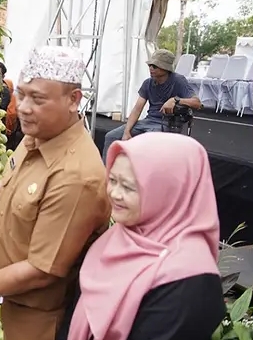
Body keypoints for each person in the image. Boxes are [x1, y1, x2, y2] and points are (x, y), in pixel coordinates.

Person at [0, 46, 111, 340]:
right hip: (16, 301)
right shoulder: (36, 137)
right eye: (22, 93)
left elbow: (42, 271)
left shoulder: (76, 176)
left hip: (44, 317)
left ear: (73, 100)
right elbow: (20, 185)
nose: (24, 107)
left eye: (38, 98)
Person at [68, 132, 225, 340]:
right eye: (112, 180)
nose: (114, 193)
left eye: (128, 187)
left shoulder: (190, 279)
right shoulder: (116, 239)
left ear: (167, 191)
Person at [101, 49, 201, 162]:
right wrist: (126, 131)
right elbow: (137, 109)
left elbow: (197, 103)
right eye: (150, 65)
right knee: (111, 136)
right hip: (149, 121)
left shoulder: (178, 80)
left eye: (155, 66)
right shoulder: (148, 83)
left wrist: (176, 100)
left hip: (168, 123)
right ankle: (107, 173)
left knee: (146, 143)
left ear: (165, 68)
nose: (151, 68)